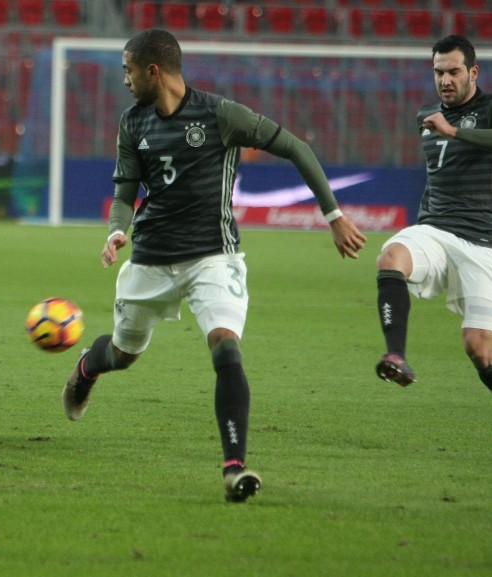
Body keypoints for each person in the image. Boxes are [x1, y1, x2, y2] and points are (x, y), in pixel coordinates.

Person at [61, 29, 367, 502]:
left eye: (128, 70)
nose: (124, 79)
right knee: (123, 354)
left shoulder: (221, 115)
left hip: (213, 258)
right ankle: (86, 369)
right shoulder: (132, 122)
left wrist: (334, 215)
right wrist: (116, 231)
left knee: (226, 347)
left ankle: (234, 467)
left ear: (152, 71)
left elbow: (295, 148)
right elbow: (125, 193)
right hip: (151, 260)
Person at [375, 34, 492, 392]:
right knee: (391, 258)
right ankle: (396, 356)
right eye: (438, 72)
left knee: (479, 347)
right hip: (437, 231)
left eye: (454, 71)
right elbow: (436, 174)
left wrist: (453, 131)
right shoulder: (426, 115)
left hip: (484, 243)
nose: (445, 80)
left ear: (473, 72)